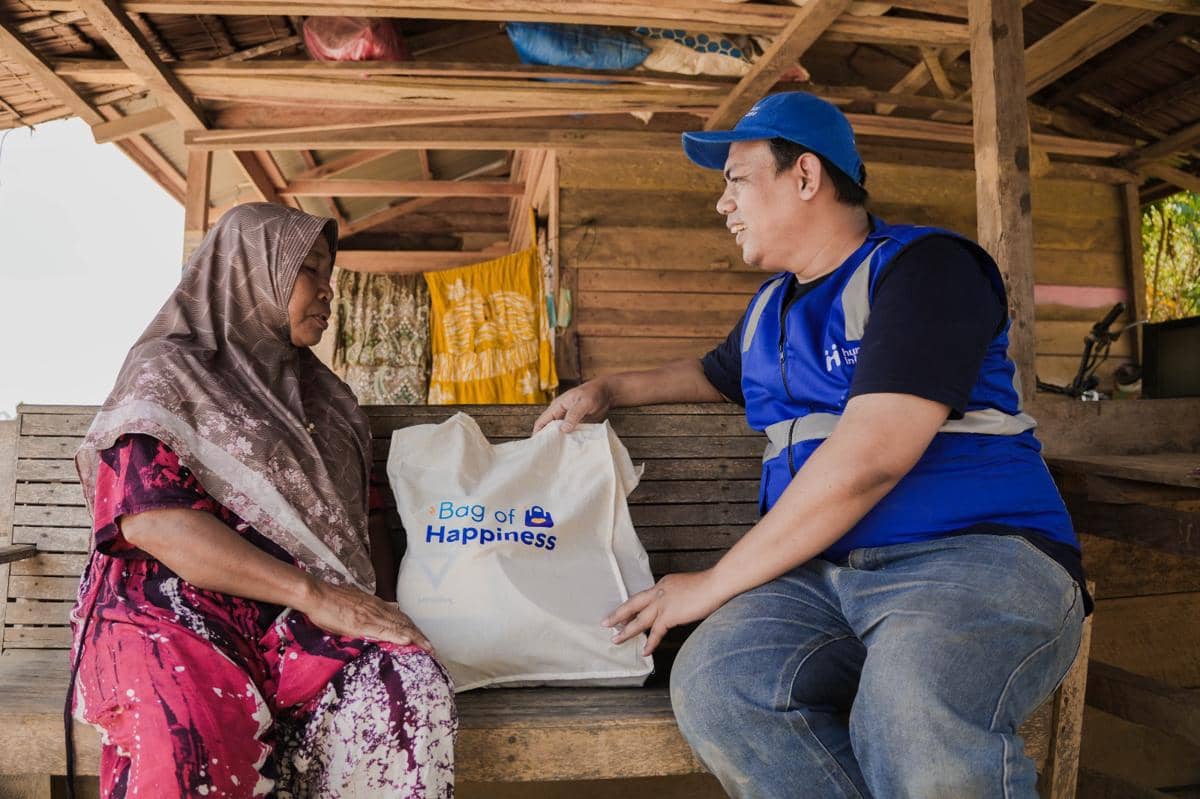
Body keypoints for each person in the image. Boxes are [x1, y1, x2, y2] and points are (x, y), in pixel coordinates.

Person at [534, 92, 1089, 798]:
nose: (721, 204)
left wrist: (708, 584)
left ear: (804, 176)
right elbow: (712, 374)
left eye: (735, 180)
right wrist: (609, 387)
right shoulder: (770, 307)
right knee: (718, 682)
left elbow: (871, 458)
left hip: (976, 558)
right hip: (824, 577)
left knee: (909, 705)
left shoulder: (926, 270)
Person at [69, 203, 456, 798]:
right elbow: (155, 523)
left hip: (297, 625)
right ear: (250, 273)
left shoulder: (332, 406)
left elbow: (365, 528)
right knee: (197, 727)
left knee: (403, 686)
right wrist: (318, 595)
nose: (329, 293)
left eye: (330, 276)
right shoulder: (169, 373)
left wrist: (374, 610)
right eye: (311, 271)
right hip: (171, 611)